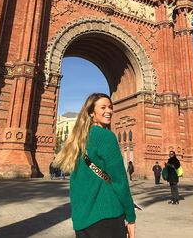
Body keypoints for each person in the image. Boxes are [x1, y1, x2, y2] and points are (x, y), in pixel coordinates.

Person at [54, 93, 136, 238]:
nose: (109, 111)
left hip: (82, 220)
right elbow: (120, 180)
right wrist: (131, 216)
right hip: (107, 217)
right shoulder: (106, 136)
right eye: (103, 107)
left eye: (110, 107)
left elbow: (75, 183)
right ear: (92, 112)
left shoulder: (78, 140)